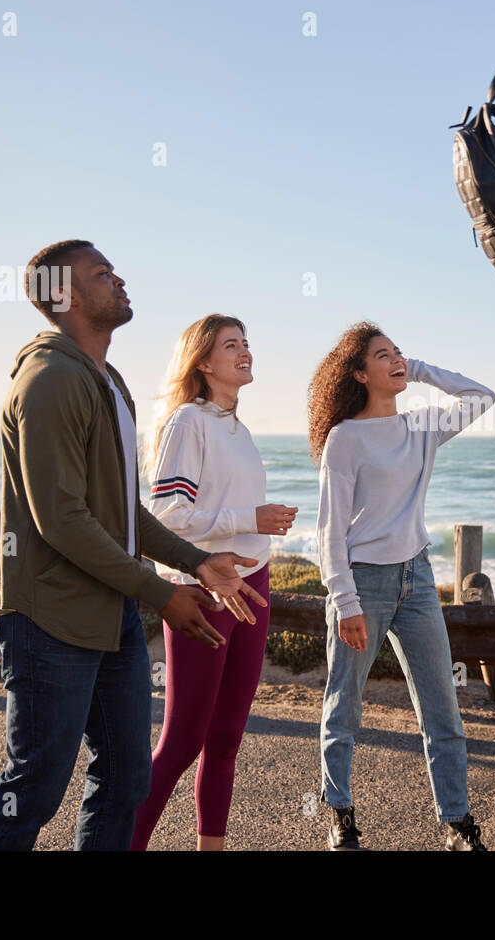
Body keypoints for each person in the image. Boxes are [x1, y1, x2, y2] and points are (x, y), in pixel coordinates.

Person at [0, 240, 267, 851]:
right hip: (50, 618)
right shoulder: (49, 380)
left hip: (113, 618)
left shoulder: (110, 382)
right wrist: (163, 593)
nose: (119, 279)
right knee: (34, 787)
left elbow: (125, 514)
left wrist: (196, 562)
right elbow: (63, 520)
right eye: (101, 274)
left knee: (125, 778)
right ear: (63, 296)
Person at [309, 322, 494, 851]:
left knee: (442, 706)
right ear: (359, 373)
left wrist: (417, 370)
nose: (395, 361)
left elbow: (482, 396)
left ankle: (458, 823)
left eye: (399, 354)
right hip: (362, 583)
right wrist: (344, 600)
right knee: (344, 703)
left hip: (417, 579)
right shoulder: (345, 438)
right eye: (382, 357)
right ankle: (339, 812)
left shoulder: (423, 426)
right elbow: (329, 530)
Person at [129, 314, 297, 851]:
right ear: (203, 361)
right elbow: (166, 513)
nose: (245, 351)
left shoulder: (238, 429)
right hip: (205, 590)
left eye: (247, 342)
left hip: (255, 581)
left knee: (226, 740)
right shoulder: (188, 420)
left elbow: (218, 508)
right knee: (183, 740)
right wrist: (250, 517)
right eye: (231, 345)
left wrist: (256, 528)